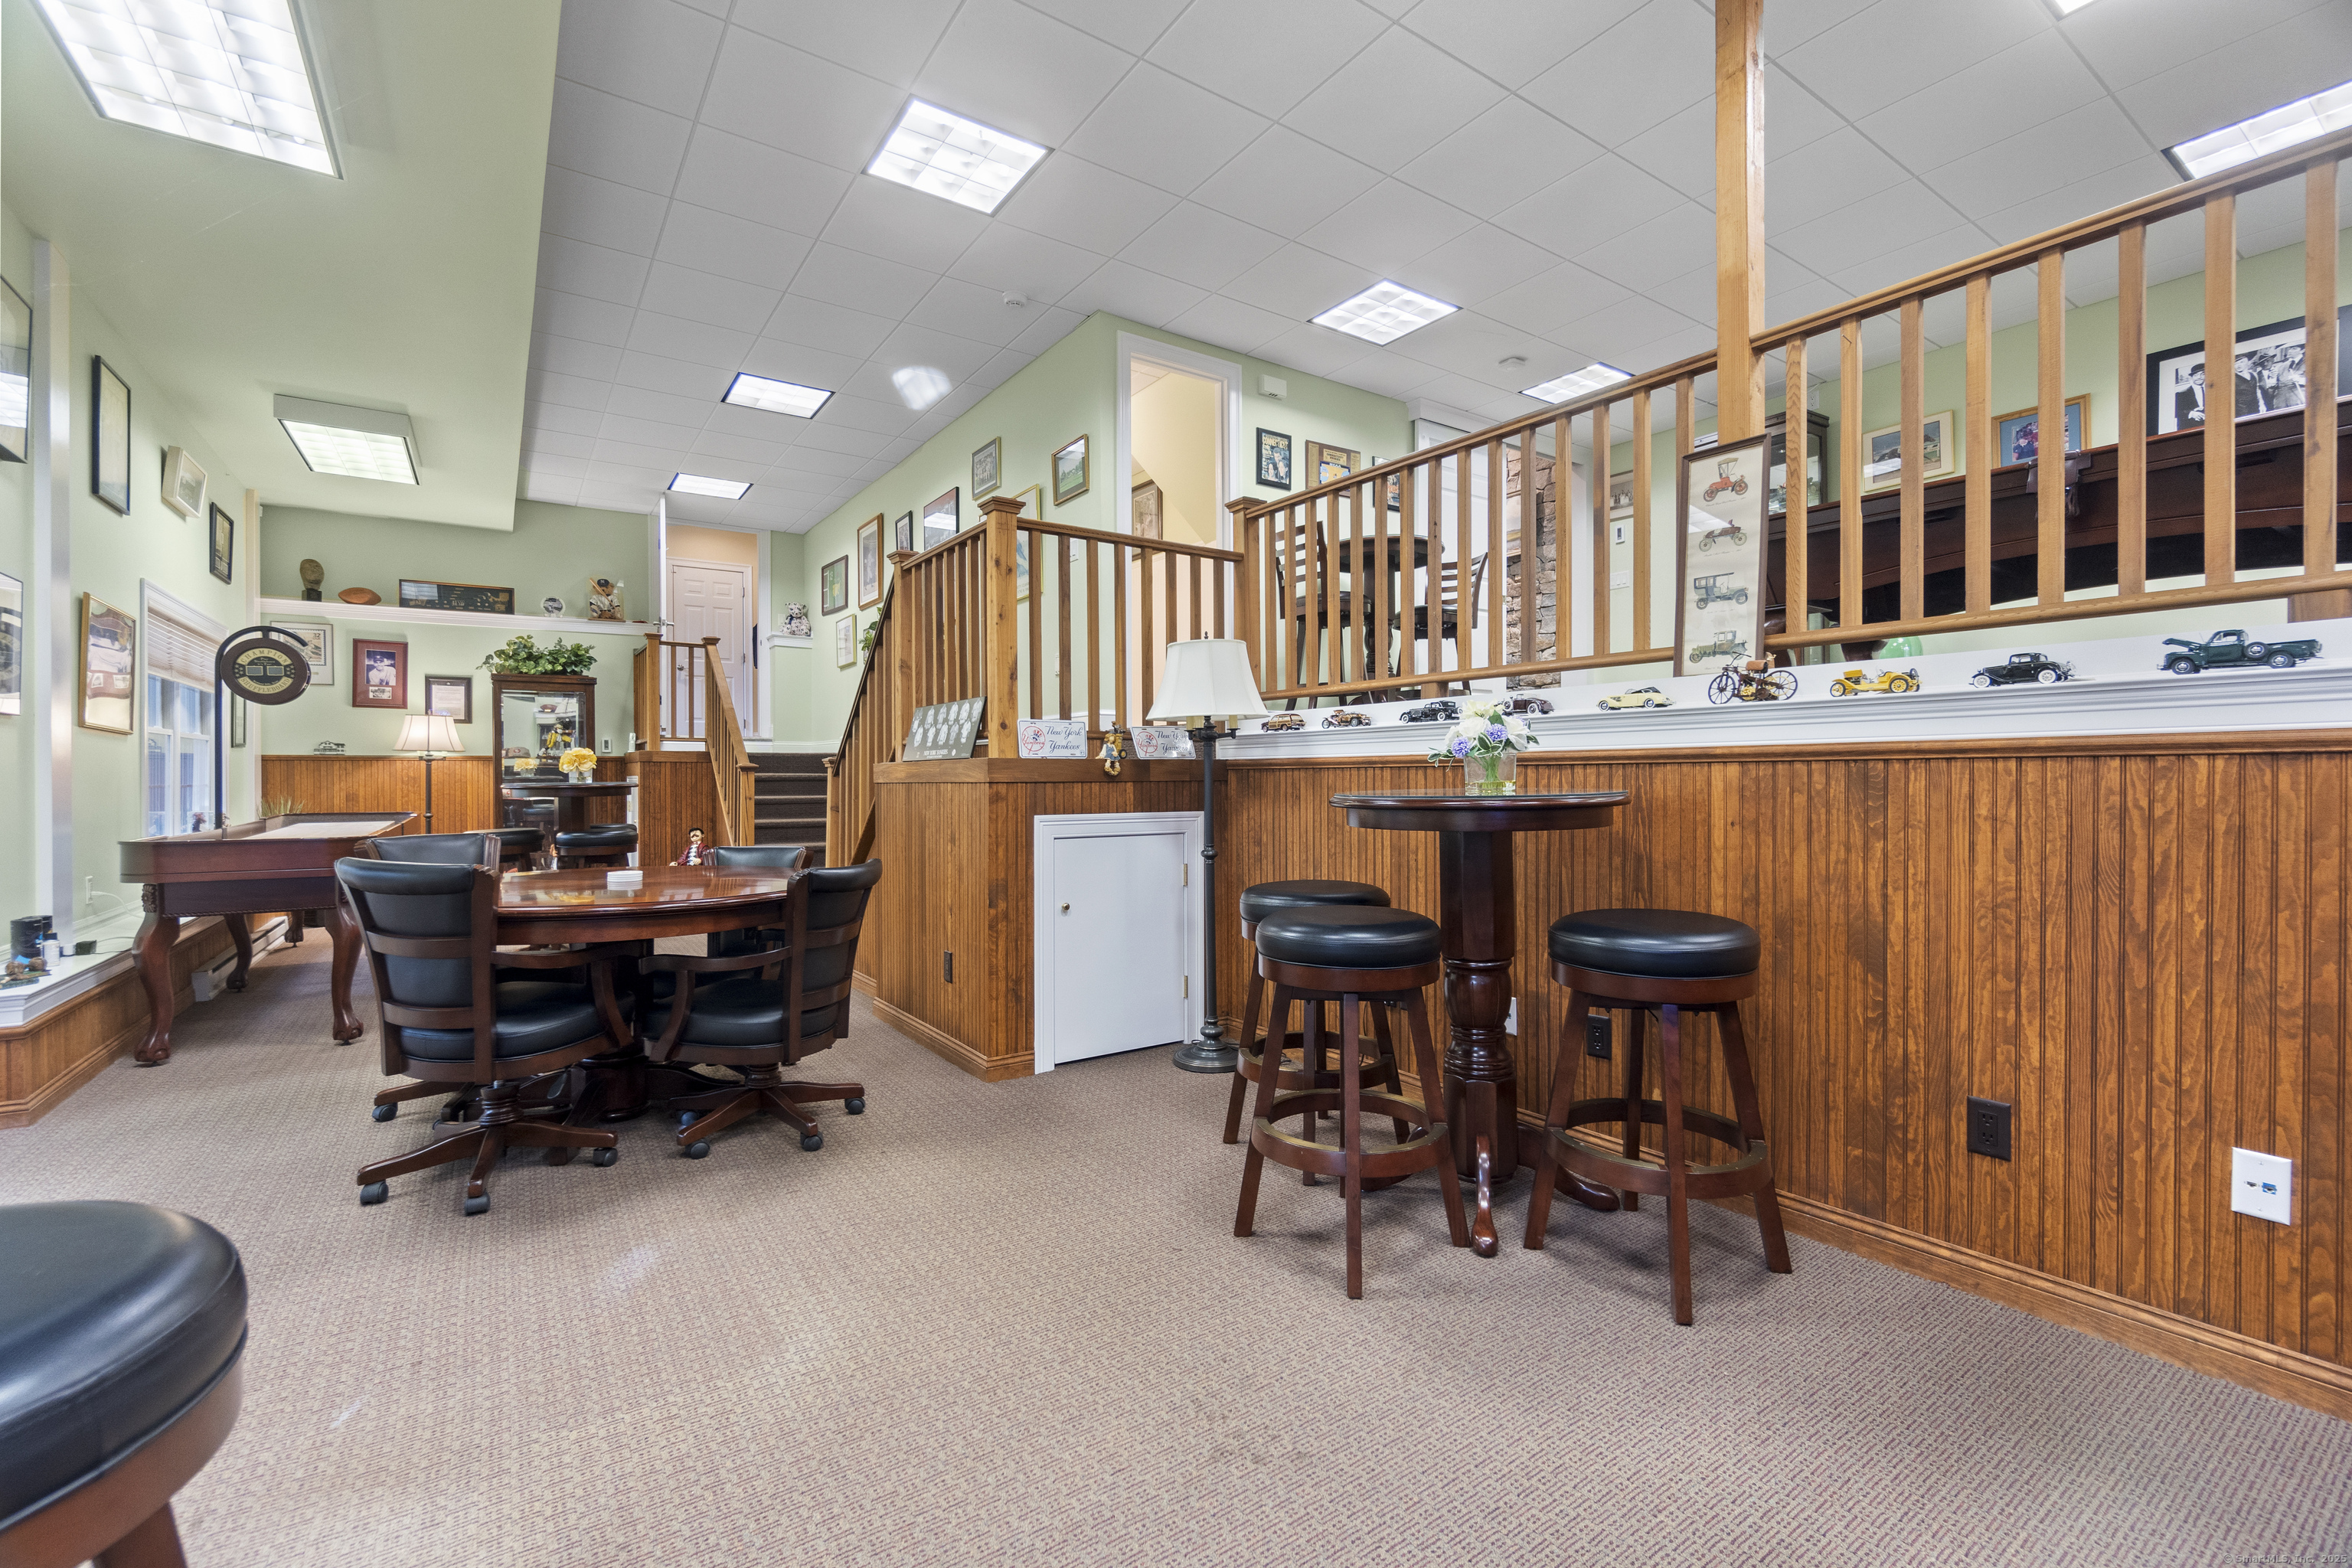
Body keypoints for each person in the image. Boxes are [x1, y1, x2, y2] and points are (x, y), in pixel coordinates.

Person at [2174, 363, 2209, 427]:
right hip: (2190, 430)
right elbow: (2176, 412)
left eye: (2203, 374)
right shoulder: (2181, 394)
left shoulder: (2212, 391)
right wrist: (2192, 414)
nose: (2199, 377)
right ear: (2191, 377)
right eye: (2196, 375)